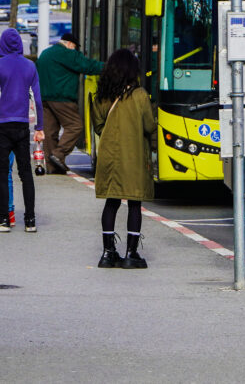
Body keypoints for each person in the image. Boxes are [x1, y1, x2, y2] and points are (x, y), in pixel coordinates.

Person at [91, 48, 156, 269]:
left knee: (112, 202)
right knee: (134, 203)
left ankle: (108, 253)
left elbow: (98, 126)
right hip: (133, 156)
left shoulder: (102, 95)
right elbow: (149, 126)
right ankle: (131, 253)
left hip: (109, 157)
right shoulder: (139, 96)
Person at [0, 28, 43, 232]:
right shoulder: (30, 66)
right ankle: (30, 220)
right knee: (26, 173)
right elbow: (37, 99)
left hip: (1, 125)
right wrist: (39, 127)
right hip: (22, 125)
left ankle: (3, 219)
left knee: (2, 172)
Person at [36, 33, 104, 175]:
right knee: (75, 126)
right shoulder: (67, 53)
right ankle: (59, 154)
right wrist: (111, 67)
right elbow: (88, 66)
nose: (74, 49)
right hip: (62, 98)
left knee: (50, 131)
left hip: (44, 99)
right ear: (69, 44)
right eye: (74, 47)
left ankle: (52, 167)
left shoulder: (45, 54)